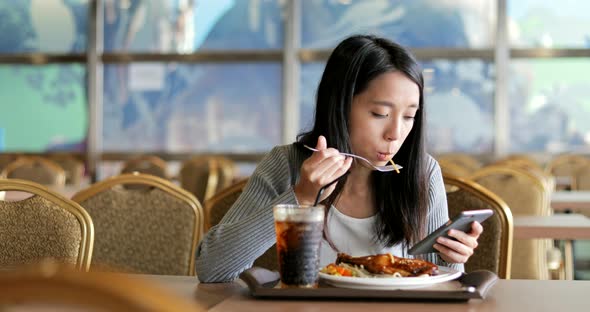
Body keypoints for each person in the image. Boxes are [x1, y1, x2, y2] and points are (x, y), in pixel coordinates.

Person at [195, 34, 483, 283]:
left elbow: (442, 281)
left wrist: (453, 256)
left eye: (409, 116)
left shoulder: (421, 172)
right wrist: (300, 197)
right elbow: (211, 269)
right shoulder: (287, 165)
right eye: (380, 114)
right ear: (341, 105)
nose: (395, 133)